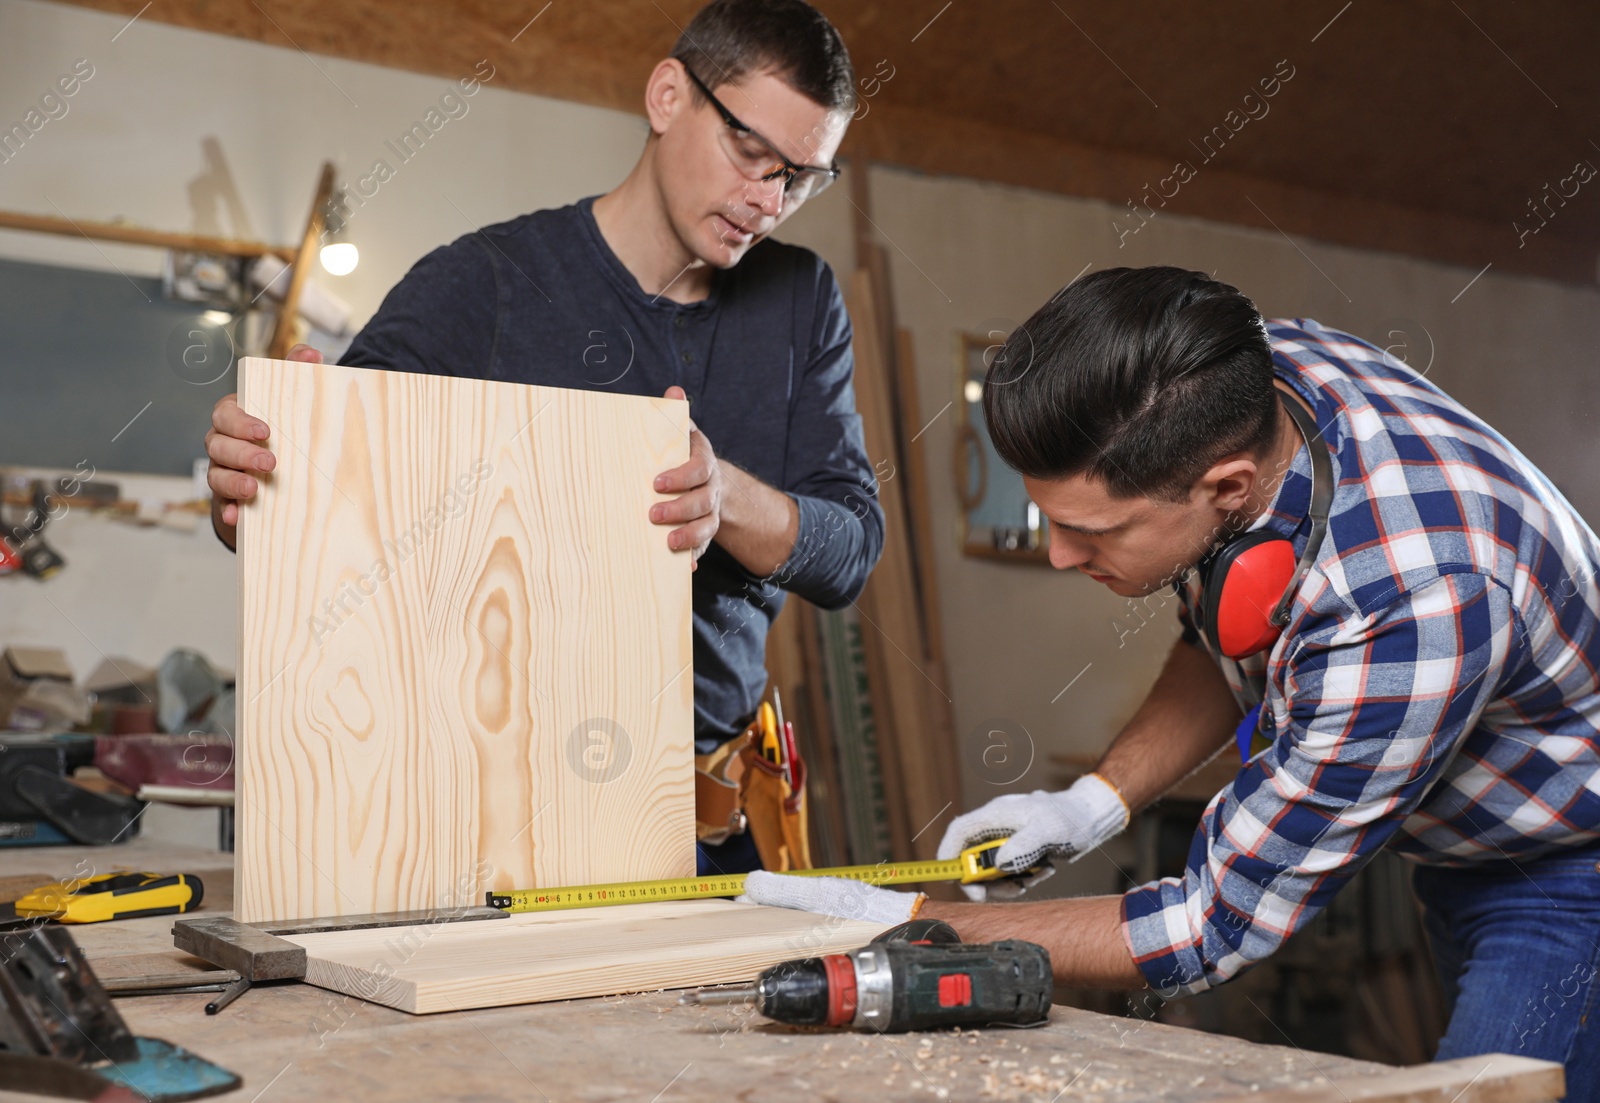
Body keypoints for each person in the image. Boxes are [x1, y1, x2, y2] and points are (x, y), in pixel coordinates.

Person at [743, 267, 1600, 1093]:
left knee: (1502, 1093)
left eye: (1093, 530)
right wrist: (1091, 804)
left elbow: (1209, 925)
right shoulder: (1250, 387)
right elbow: (1221, 631)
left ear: (1227, 488)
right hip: (1467, 845)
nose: (1059, 554)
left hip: (1567, 866)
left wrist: (909, 925)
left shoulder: (1413, 604)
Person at [202, 0, 884, 874]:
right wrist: (251, 490)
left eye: (802, 177)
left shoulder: (801, 301)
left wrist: (728, 497)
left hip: (707, 824)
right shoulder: (483, 284)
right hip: (490, 809)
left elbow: (851, 552)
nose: (769, 199)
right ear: (668, 95)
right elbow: (316, 508)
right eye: (751, 153)